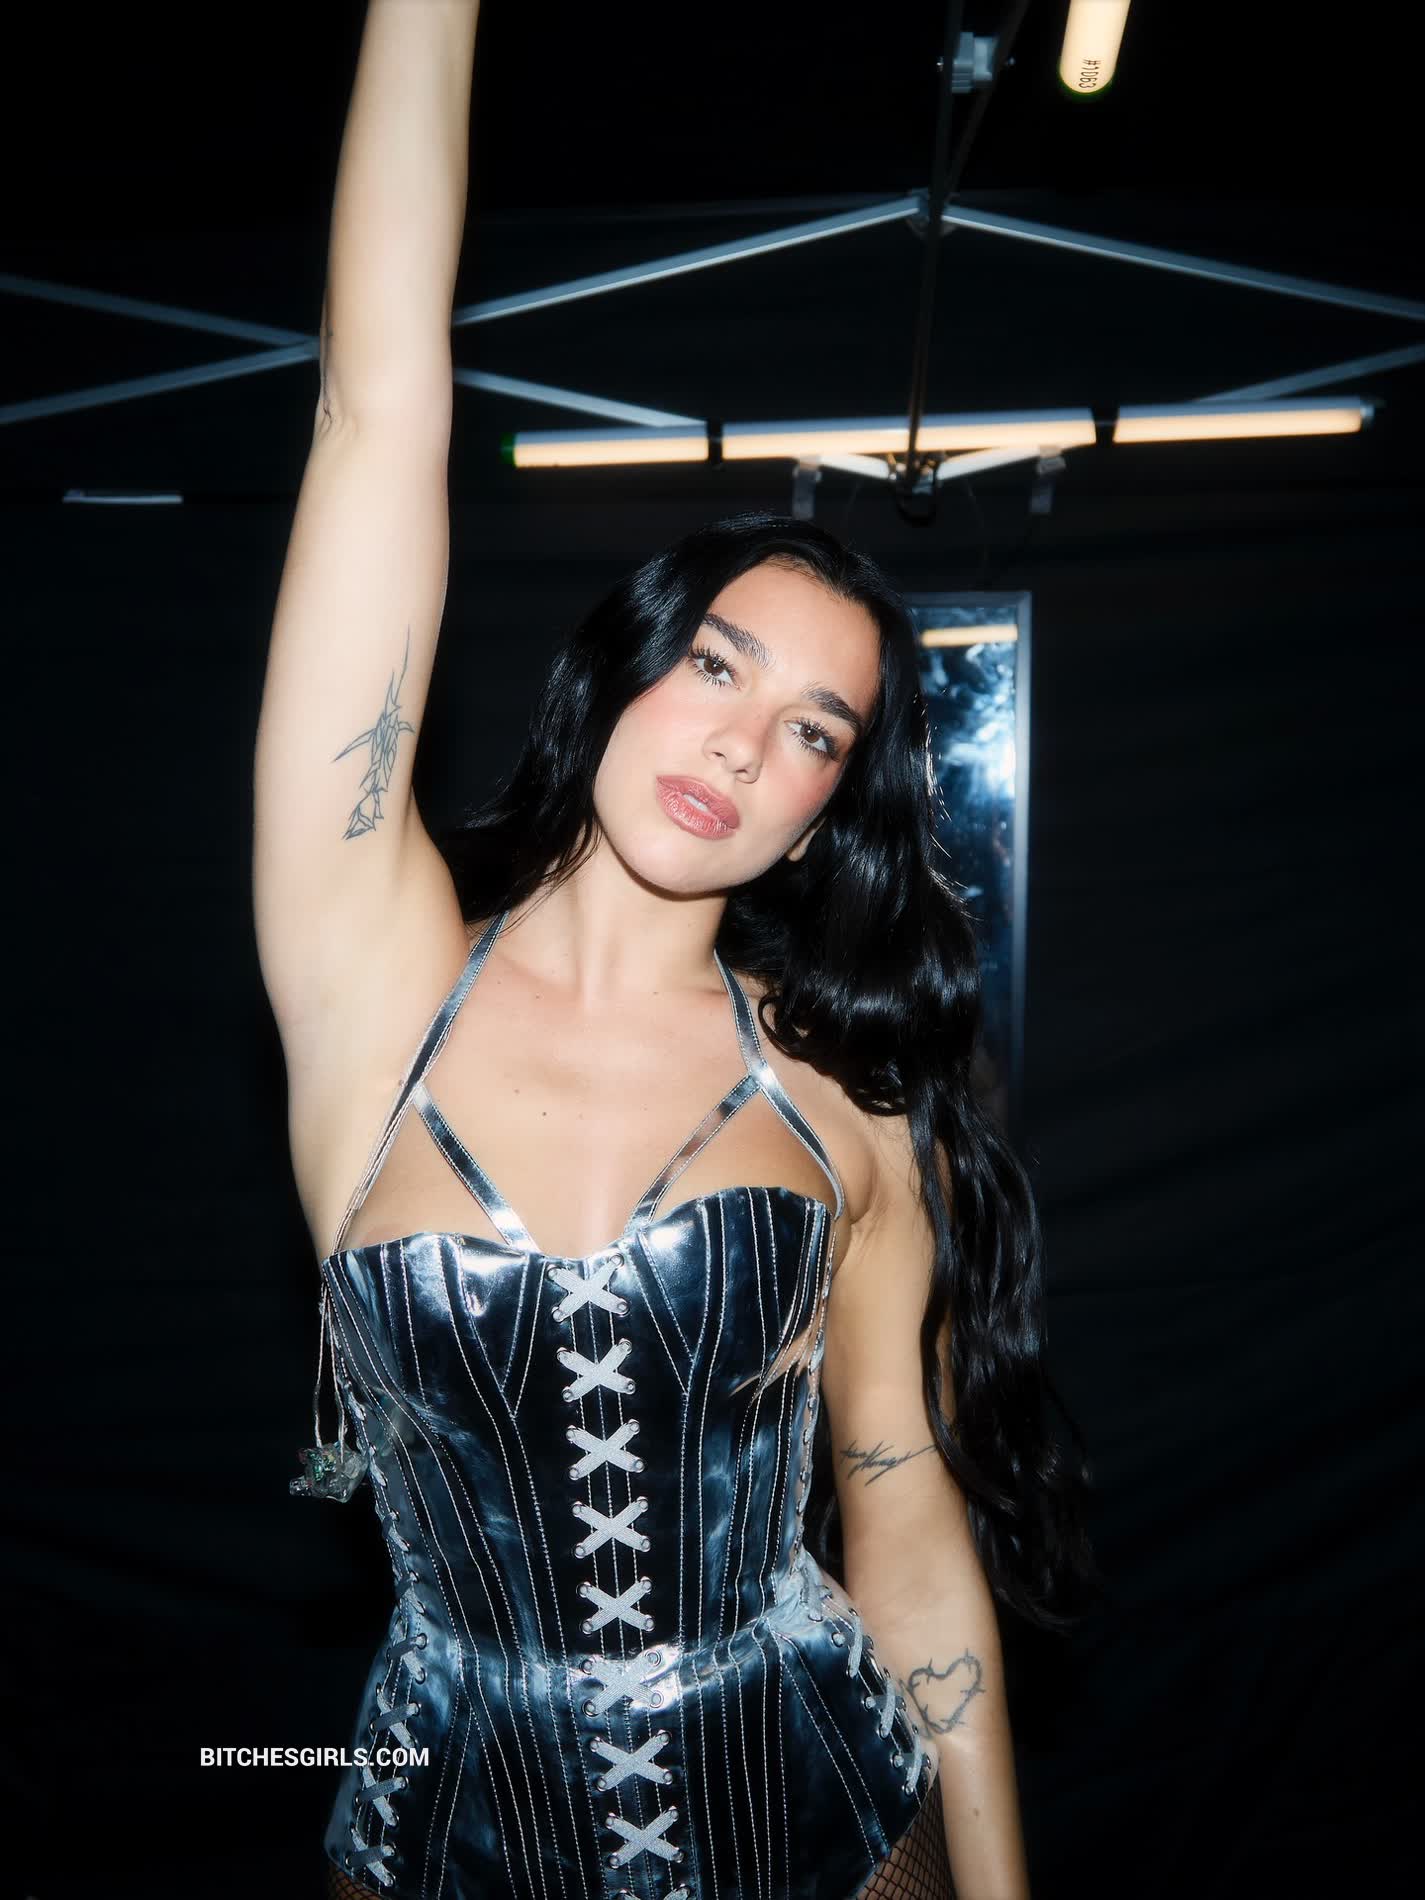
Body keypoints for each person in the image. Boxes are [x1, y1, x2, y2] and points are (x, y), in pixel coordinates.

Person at [252, 4, 1098, 1896]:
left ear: (823, 811)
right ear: (623, 672)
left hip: (818, 1828)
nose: (738, 742)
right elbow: (376, 407)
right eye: (717, 664)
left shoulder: (839, 1099)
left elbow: (900, 1516)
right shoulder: (372, 981)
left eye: (811, 730)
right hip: (444, 1843)